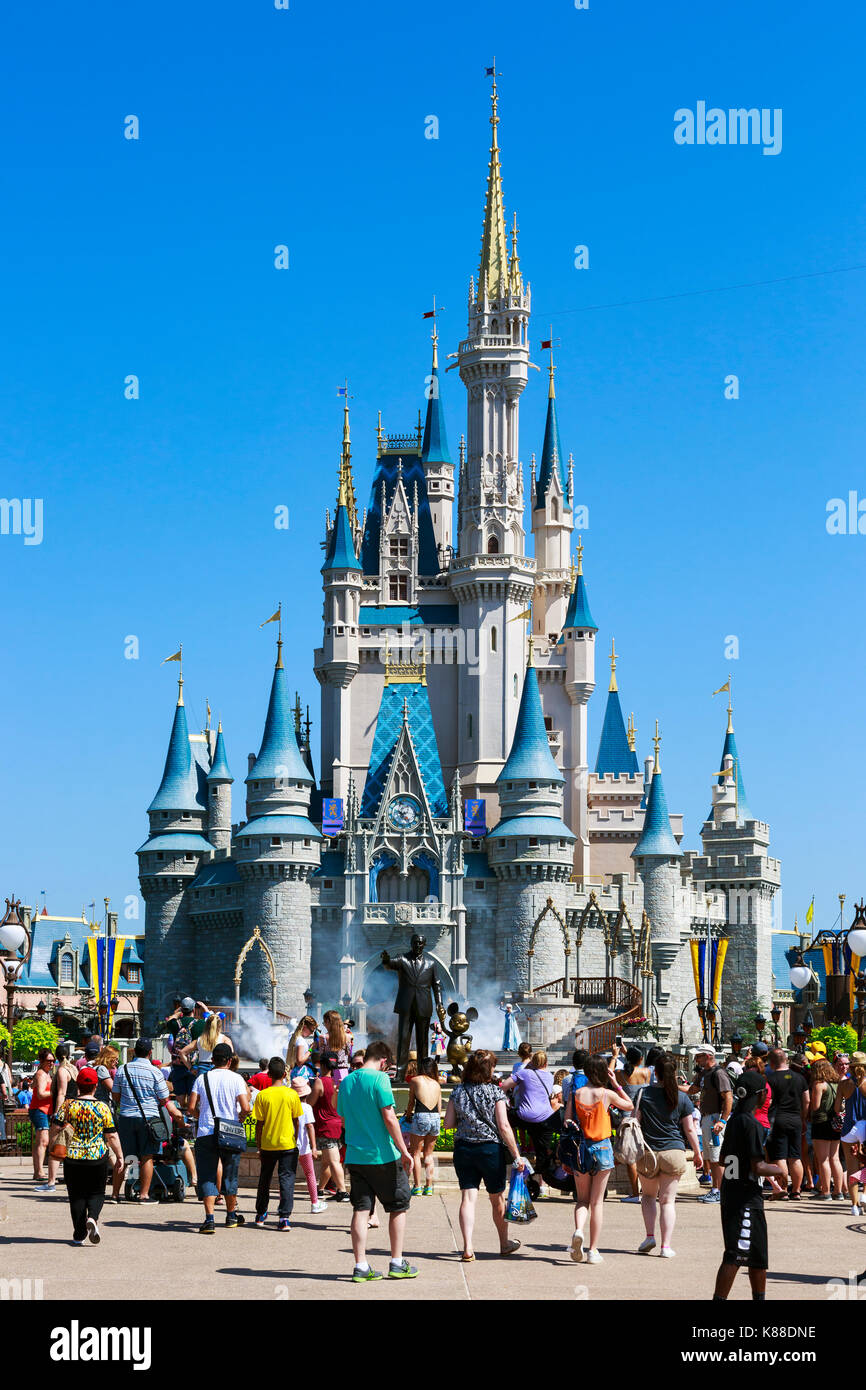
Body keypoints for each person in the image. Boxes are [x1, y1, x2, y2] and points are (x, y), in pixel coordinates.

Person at [337, 1040, 418, 1282]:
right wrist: (404, 1151)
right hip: (383, 1156)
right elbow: (390, 1118)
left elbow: (342, 1117)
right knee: (398, 1206)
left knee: (361, 1209)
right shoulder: (380, 1080)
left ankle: (361, 1266)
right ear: (383, 1060)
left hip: (356, 1156)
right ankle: (396, 1262)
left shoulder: (347, 1081)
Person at [444, 1048, 525, 1263]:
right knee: (496, 1198)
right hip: (490, 1150)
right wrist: (516, 1155)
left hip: (464, 1149)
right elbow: (504, 1126)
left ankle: (468, 1247)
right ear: (489, 1069)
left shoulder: (458, 1091)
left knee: (468, 1198)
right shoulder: (495, 1092)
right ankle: (504, 1243)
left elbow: (448, 1123)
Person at [712, 1071, 787, 1301]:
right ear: (759, 1095)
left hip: (737, 1194)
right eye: (766, 1092)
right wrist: (781, 1171)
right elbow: (758, 1166)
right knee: (736, 1254)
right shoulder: (752, 1124)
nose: (768, 1096)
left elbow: (723, 1159)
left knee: (757, 1254)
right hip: (744, 1198)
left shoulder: (734, 1120)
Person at [567, 1053, 634, 1264]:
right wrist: (616, 1084)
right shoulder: (606, 1094)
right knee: (597, 1203)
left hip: (582, 1147)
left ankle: (579, 1230)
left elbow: (568, 1119)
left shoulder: (575, 1093)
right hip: (603, 1147)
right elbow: (630, 1106)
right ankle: (593, 1250)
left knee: (582, 1200)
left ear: (586, 1071)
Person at [635, 1050, 701, 1258]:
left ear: (656, 1073)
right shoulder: (682, 1098)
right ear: (674, 1074)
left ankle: (649, 1236)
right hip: (673, 1151)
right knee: (667, 1201)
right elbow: (690, 1129)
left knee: (647, 1196)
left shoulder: (642, 1094)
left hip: (648, 1151)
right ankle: (666, 1246)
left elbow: (635, 1122)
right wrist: (698, 1152)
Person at [48, 1065, 124, 1246]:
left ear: (78, 1086)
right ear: (96, 1086)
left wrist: (52, 1143)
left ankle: (79, 1233)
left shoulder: (68, 1105)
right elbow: (111, 1134)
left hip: (73, 1157)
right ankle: (94, 1219)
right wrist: (120, 1156)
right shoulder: (102, 1107)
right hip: (97, 1157)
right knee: (97, 1192)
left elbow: (56, 1127)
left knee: (76, 1195)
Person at [187, 1041, 251, 1233]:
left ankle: (209, 1219)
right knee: (230, 1174)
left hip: (206, 1131)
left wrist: (202, 1117)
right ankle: (231, 1216)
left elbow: (191, 1107)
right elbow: (246, 1107)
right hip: (230, 1131)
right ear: (230, 1061)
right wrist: (240, 1116)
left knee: (207, 1175)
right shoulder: (237, 1079)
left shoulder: (202, 1079)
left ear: (213, 1060)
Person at [111, 1038, 184, 1202]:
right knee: (146, 1157)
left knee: (124, 1157)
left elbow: (115, 1096)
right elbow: (164, 1098)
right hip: (149, 1119)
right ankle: (144, 1195)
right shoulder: (155, 1072)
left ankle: (115, 1194)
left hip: (127, 1117)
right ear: (150, 1053)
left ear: (134, 1051)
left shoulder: (123, 1070)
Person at [253, 1056, 305, 1231]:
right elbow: (296, 1120)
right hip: (288, 1144)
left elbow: (259, 1124)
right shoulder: (292, 1094)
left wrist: (258, 1145)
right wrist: (295, 1139)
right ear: (284, 1074)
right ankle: (284, 1217)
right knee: (287, 1180)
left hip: (268, 1143)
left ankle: (261, 1213)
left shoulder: (262, 1095)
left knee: (264, 1179)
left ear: (269, 1075)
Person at [501, 1050, 558, 1185]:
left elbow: (504, 1086)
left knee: (505, 1119)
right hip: (545, 1118)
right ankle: (541, 1183)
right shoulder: (550, 1077)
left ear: (532, 1062)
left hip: (525, 1116)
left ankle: (514, 1146)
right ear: (546, 1063)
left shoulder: (524, 1073)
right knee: (542, 1150)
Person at [764, 1048, 809, 1200]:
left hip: (778, 1119)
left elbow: (767, 1101)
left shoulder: (770, 1079)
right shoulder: (799, 1078)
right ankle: (796, 1191)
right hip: (796, 1119)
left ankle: (782, 1190)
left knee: (780, 1156)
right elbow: (807, 1100)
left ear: (771, 1063)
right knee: (795, 1157)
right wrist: (803, 1118)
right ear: (786, 1060)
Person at [691, 1046, 733, 1205]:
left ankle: (720, 1191)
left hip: (715, 1119)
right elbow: (692, 1089)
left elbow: (728, 1097)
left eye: (699, 1056)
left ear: (708, 1056)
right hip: (707, 1118)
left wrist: (722, 1120)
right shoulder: (704, 1073)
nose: (696, 1060)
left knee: (716, 1158)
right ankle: (716, 1189)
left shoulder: (718, 1073)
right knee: (711, 1157)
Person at [38, 1045, 81, 1193]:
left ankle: (51, 1183)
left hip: (64, 1110)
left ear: (56, 1057)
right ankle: (71, 1181)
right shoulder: (74, 1069)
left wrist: (56, 1113)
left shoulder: (62, 1071)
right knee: (70, 1147)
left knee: (55, 1147)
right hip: (74, 1109)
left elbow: (62, 1093)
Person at [311, 1050, 348, 1201]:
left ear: (322, 1065)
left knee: (333, 1161)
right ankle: (320, 1189)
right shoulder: (338, 1082)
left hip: (325, 1126)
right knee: (326, 1161)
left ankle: (342, 1191)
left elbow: (310, 1103)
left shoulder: (320, 1082)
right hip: (338, 1125)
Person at [403, 1056, 442, 1196]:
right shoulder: (437, 1084)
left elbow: (411, 1102)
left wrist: (407, 1116)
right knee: (429, 1154)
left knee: (415, 1153)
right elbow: (439, 1107)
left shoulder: (415, 1080)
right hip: (435, 1118)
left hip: (421, 1116)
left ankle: (417, 1186)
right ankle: (429, 1187)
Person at [809, 1058, 845, 1201]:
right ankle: (838, 1191)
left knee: (823, 1159)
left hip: (821, 1122)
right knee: (835, 1158)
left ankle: (825, 1192)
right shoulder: (837, 1084)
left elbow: (815, 1106)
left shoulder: (819, 1084)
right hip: (835, 1123)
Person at [290, 1075, 327, 1212]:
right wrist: (314, 1147)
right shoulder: (306, 1108)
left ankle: (284, 1203)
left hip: (290, 1146)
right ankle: (314, 1203)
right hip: (304, 1147)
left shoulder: (289, 1105)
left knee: (288, 1175)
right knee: (310, 1174)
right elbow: (310, 1127)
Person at [836, 1050, 866, 1215]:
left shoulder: (843, 1084)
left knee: (852, 1167)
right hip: (865, 1127)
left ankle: (854, 1206)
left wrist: (846, 1106)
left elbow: (836, 1108)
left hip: (849, 1127)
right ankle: (865, 1196)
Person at [29, 1049, 55, 1183]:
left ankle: (37, 1171)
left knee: (40, 1141)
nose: (51, 1063)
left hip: (42, 1110)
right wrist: (56, 1093)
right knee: (43, 1141)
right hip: (39, 1110)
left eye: (53, 1061)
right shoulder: (41, 1074)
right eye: (48, 1061)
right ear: (42, 1061)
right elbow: (40, 1094)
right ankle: (39, 1172)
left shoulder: (45, 1073)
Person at [181, 1011, 233, 1077]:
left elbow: (182, 1052)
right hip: (219, 1067)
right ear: (220, 1025)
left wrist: (190, 1068)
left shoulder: (199, 1039)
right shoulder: (225, 1039)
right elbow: (232, 1055)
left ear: (206, 1025)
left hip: (202, 1068)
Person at [320, 1011, 352, 1085]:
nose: (324, 1025)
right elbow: (349, 1055)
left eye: (324, 1022)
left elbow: (322, 1058)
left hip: (328, 1073)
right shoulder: (348, 1037)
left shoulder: (323, 1038)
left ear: (328, 1022)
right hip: (343, 1073)